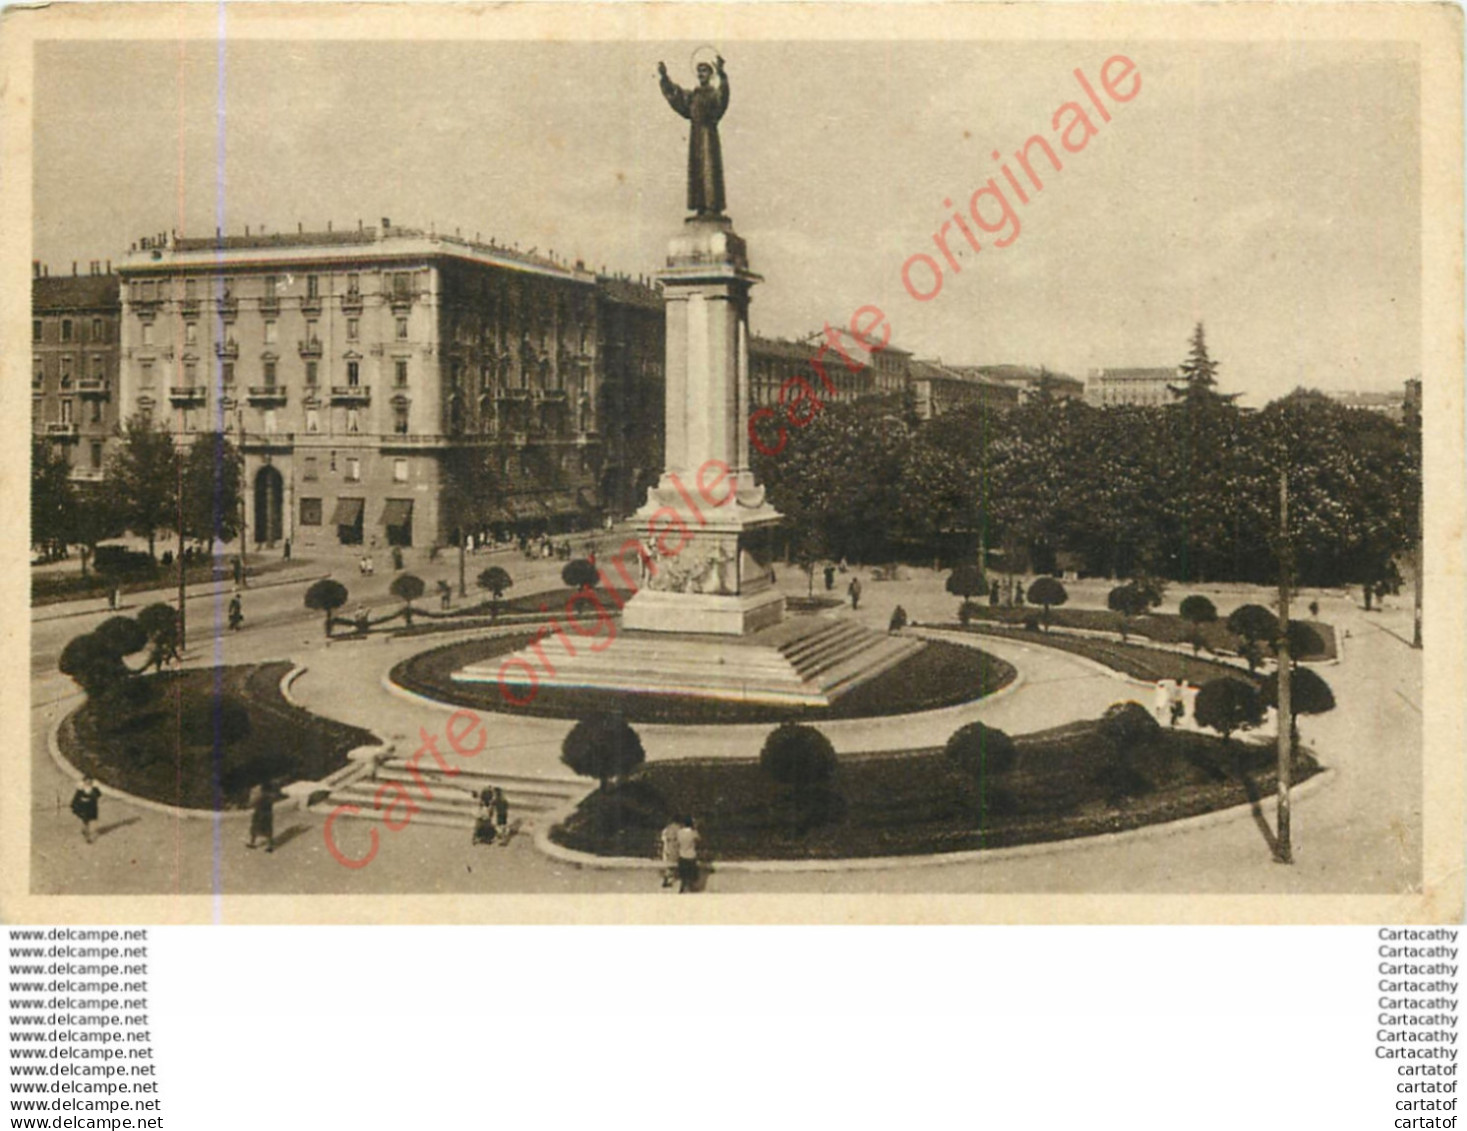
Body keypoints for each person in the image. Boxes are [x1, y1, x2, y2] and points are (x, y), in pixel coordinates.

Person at [246, 780, 278, 852]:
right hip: (266, 813)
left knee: (256, 827)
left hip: (260, 812)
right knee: (266, 828)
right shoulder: (269, 796)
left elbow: (252, 803)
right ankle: (269, 845)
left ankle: (253, 842)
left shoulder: (262, 795)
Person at [70, 776, 101, 845]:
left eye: (90, 781)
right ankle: (87, 837)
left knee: (87, 821)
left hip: (91, 807)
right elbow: (76, 798)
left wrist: (94, 794)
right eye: (87, 781)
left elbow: (99, 794)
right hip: (84, 808)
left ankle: (84, 829)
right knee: (86, 821)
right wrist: (75, 804)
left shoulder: (94, 789)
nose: (89, 782)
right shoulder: (81, 789)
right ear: (84, 781)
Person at [676, 816, 701, 893]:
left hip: (682, 855)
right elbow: (699, 839)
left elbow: (677, 843)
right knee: (691, 874)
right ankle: (691, 887)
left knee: (683, 875)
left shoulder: (679, 832)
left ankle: (682, 888)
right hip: (691, 855)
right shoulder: (693, 833)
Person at [659, 818, 681, 889]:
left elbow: (663, 838)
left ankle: (666, 879)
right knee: (672, 863)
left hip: (666, 846)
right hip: (674, 847)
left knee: (667, 863)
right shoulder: (678, 828)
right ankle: (668, 879)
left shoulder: (667, 828)